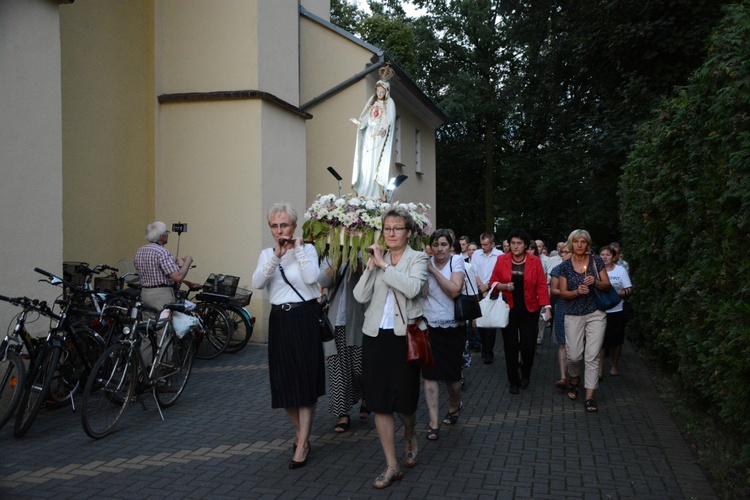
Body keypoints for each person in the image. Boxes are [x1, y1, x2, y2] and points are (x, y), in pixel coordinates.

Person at [353, 206, 428, 489]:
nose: (391, 233)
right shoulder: (377, 260)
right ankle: (391, 465)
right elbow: (360, 296)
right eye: (387, 228)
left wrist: (385, 266)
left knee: (405, 402)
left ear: (408, 233)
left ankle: (410, 431)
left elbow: (412, 289)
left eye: (397, 228)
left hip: (403, 337)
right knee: (380, 402)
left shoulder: (417, 258)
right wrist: (372, 267)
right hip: (375, 337)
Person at [251, 203, 325, 468]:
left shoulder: (308, 250)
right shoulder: (265, 254)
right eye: (274, 225)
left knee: (304, 381)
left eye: (284, 225)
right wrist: (277, 256)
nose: (279, 230)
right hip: (280, 320)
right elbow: (258, 282)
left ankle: (302, 442)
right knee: (282, 382)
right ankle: (301, 431)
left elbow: (311, 277)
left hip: (304, 319)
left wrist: (297, 251)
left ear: (294, 226)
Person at [489, 230, 551, 394]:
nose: (515, 246)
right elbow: (493, 281)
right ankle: (513, 381)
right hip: (508, 309)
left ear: (525, 245)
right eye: (513, 243)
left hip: (530, 309)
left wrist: (547, 308)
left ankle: (525, 372)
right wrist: (503, 286)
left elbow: (542, 286)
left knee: (528, 347)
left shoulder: (535, 261)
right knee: (510, 347)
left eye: (519, 243)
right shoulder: (501, 259)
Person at [557, 229, 611, 413]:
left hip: (595, 313)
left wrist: (594, 281)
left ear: (588, 244)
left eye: (583, 241)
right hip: (573, 313)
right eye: (576, 241)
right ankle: (574, 378)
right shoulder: (565, 265)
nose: (580, 245)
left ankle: (590, 397)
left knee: (592, 355)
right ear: (571, 244)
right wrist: (576, 292)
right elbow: (562, 293)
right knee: (574, 356)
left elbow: (607, 284)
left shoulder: (596, 261)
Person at [421, 229, 466, 440]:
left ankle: (455, 404)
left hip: (453, 326)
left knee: (453, 377)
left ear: (451, 246)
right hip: (429, 327)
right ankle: (433, 423)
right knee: (430, 375)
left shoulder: (456, 262)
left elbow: (454, 290)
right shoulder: (424, 262)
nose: (440, 249)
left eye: (444, 244)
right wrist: (422, 273)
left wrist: (432, 270)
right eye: (436, 244)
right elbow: (419, 293)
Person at [318, 257, 367, 433]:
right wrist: (340, 258)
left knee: (359, 368)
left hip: (358, 321)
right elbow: (322, 281)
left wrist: (356, 257)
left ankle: (365, 396)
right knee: (337, 370)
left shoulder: (364, 251)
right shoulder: (330, 255)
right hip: (334, 323)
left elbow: (370, 276)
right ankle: (342, 413)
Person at [351, 68, 396, 200]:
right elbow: (365, 118)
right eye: (378, 91)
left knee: (376, 165)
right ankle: (364, 191)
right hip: (369, 138)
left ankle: (376, 193)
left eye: (383, 91)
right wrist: (360, 124)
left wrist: (384, 128)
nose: (380, 93)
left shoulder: (389, 104)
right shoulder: (372, 102)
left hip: (380, 140)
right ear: (376, 90)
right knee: (366, 165)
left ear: (386, 92)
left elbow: (390, 121)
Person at [134, 221, 193, 312]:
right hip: (160, 295)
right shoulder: (162, 252)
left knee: (148, 323)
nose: (168, 235)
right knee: (162, 323)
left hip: (145, 292)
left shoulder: (140, 251)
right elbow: (178, 277)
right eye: (167, 233)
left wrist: (172, 264)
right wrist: (187, 262)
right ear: (161, 236)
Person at [598, 245, 633, 378]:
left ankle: (614, 365)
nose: (605, 257)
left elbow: (629, 288)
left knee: (616, 341)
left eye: (607, 255)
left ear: (614, 257)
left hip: (617, 310)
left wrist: (620, 294)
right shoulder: (595, 270)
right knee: (600, 341)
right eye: (602, 255)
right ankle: (599, 370)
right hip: (600, 310)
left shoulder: (621, 271)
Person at [472, 232, 503, 364]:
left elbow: (500, 273)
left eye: (486, 244)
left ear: (492, 244)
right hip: (478, 289)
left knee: (490, 322)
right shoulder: (476, 254)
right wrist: (481, 286)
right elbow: (473, 271)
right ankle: (484, 347)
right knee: (480, 320)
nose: (483, 247)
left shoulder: (500, 255)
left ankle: (489, 351)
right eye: (481, 244)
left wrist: (488, 286)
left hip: (494, 289)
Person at [549, 243, 572, 389]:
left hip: (580, 310)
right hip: (562, 308)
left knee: (577, 345)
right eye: (562, 252)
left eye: (566, 252)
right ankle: (563, 377)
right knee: (562, 344)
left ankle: (575, 374)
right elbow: (553, 290)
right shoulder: (557, 269)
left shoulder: (583, 270)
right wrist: (570, 292)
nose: (563, 255)